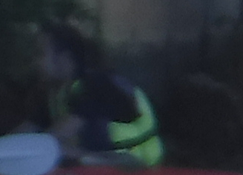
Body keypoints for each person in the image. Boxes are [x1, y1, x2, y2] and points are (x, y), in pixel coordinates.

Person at [40, 20, 163, 165]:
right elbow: (30, 131)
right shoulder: (58, 91)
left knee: (60, 152)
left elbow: (50, 140)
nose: (35, 62)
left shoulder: (97, 86)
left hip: (136, 167)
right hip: (107, 165)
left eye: (40, 54)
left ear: (63, 58)